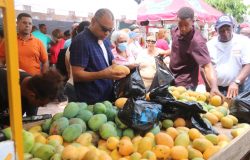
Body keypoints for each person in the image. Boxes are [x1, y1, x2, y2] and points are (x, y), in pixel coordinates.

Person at [69, 8, 126, 104]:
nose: (107, 33)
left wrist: (118, 67)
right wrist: (103, 74)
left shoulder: (105, 40)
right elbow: (77, 75)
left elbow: (110, 63)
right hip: (91, 100)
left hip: (107, 96)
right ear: (93, 21)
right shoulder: (81, 41)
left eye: (110, 30)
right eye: (104, 29)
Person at [169, 7, 221, 96]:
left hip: (186, 84)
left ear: (193, 22)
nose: (183, 28)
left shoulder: (197, 41)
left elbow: (207, 66)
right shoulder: (175, 31)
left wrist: (214, 87)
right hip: (171, 78)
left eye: (186, 25)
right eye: (180, 24)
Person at [0, 68, 64, 126]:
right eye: (40, 104)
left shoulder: (34, 86)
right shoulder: (3, 88)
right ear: (32, 95)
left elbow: (31, 119)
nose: (39, 106)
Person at [207, 15, 250, 98]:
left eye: (228, 29)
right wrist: (211, 86)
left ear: (233, 27)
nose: (225, 33)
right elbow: (206, 68)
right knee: (216, 110)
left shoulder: (243, 41)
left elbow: (248, 64)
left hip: (237, 87)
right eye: (222, 30)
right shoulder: (209, 45)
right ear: (216, 30)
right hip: (216, 88)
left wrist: (236, 82)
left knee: (235, 110)